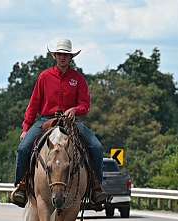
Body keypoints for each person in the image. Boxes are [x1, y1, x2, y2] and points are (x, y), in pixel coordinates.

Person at [10, 39, 107, 208]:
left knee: (97, 147)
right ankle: (22, 186)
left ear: (71, 58)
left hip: (70, 122)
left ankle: (96, 188)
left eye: (66, 55)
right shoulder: (44, 77)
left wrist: (75, 110)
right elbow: (33, 104)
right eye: (60, 54)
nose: (63, 57)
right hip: (45, 120)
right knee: (23, 148)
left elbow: (85, 105)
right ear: (55, 56)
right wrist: (26, 128)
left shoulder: (78, 79)